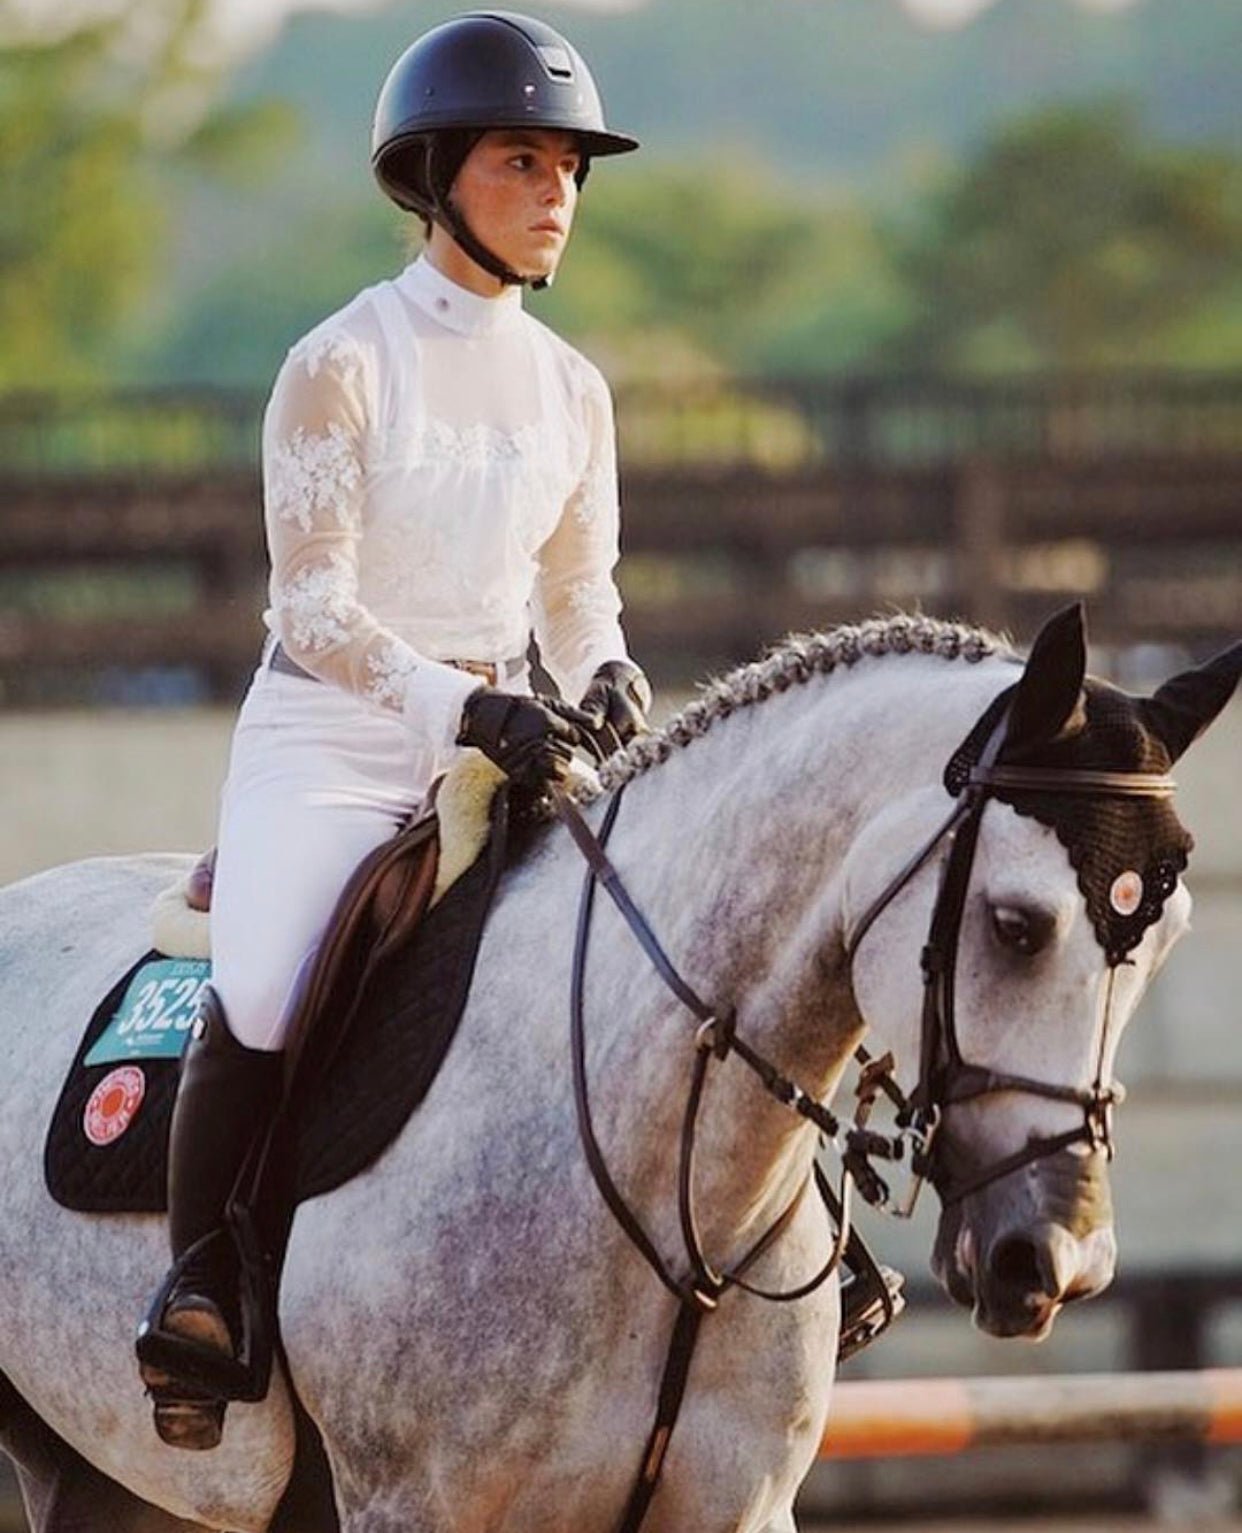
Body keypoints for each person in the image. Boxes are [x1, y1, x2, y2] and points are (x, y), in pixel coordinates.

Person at [137, 10, 650, 1450]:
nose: (557, 191)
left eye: (569, 166)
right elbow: (313, 609)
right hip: (334, 740)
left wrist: (604, 669)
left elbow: (578, 588)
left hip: (506, 733)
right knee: (269, 983)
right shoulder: (340, 362)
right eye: (521, 160)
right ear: (435, 175)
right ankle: (205, 1288)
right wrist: (460, 698)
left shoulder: (572, 386)